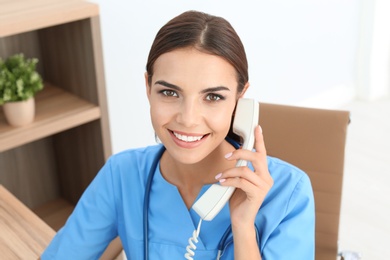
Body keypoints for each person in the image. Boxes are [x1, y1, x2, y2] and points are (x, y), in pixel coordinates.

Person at [41, 10, 315, 259]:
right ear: (148, 87)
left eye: (213, 96)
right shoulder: (122, 176)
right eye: (169, 93)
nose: (188, 119)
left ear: (240, 100)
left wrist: (243, 229)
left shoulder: (289, 193)